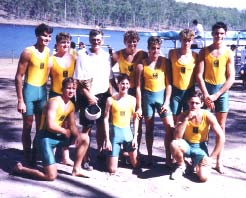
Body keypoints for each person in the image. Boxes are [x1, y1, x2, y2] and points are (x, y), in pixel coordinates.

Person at [13, 78, 90, 181]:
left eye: (73, 88)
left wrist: (78, 137)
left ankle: (76, 169)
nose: (71, 91)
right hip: (45, 138)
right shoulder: (54, 102)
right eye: (68, 88)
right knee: (51, 176)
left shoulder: (71, 105)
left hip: (57, 137)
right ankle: (21, 169)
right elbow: (50, 125)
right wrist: (64, 131)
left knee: (85, 137)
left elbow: (72, 126)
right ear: (62, 89)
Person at [196, 22, 235, 173]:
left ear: (225, 35)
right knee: (202, 124)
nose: (218, 36)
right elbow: (199, 76)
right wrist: (206, 95)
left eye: (221, 33)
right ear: (211, 34)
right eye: (216, 33)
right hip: (206, 91)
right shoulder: (204, 52)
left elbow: (231, 78)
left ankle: (219, 160)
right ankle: (200, 158)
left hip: (221, 91)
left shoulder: (228, 53)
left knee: (220, 127)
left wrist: (217, 94)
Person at [73, 29, 114, 166]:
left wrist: (113, 93)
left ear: (102, 40)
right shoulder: (82, 55)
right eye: (93, 40)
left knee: (102, 126)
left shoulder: (106, 55)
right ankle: (85, 157)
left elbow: (109, 77)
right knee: (87, 128)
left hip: (103, 95)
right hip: (87, 95)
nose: (96, 42)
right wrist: (89, 96)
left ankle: (100, 152)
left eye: (98, 40)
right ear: (89, 40)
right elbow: (78, 80)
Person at [15, 23, 53, 164]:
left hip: (42, 92)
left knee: (41, 125)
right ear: (38, 35)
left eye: (49, 36)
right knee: (28, 124)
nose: (47, 38)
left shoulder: (49, 52)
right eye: (44, 35)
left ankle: (36, 152)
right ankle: (26, 154)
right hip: (29, 92)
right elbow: (19, 76)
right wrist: (20, 100)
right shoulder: (28, 52)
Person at [170, 91, 225, 182]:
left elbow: (221, 137)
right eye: (192, 103)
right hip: (186, 145)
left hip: (200, 147)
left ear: (202, 104)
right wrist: (187, 119)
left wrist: (211, 158)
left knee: (203, 177)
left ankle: (194, 165)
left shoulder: (207, 115)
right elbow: (177, 137)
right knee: (174, 144)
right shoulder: (183, 115)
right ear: (188, 103)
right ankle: (181, 165)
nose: (194, 105)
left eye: (197, 103)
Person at [135, 36, 174, 166]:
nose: (155, 51)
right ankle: (150, 155)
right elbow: (138, 87)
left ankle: (168, 157)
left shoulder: (165, 62)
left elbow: (169, 84)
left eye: (158, 48)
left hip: (162, 98)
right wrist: (139, 106)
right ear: (148, 49)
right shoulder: (141, 65)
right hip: (148, 98)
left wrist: (167, 102)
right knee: (149, 129)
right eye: (153, 48)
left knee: (169, 127)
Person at [111, 30, 148, 154]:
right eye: (129, 42)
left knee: (137, 119)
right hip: (124, 91)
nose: (132, 44)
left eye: (134, 41)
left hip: (138, 90)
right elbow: (108, 72)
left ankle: (135, 149)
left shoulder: (142, 54)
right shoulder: (118, 54)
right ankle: (123, 149)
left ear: (137, 41)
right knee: (123, 120)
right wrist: (115, 88)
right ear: (124, 42)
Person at [48, 32, 76, 166]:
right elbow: (44, 80)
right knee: (53, 125)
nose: (65, 45)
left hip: (69, 96)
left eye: (67, 42)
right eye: (62, 42)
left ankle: (65, 156)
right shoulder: (51, 60)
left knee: (67, 126)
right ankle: (51, 153)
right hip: (55, 95)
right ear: (57, 44)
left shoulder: (74, 58)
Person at [104, 74, 139, 174]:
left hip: (127, 134)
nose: (124, 86)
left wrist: (135, 137)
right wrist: (107, 140)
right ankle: (111, 155)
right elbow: (105, 119)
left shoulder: (133, 100)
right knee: (112, 170)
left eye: (127, 84)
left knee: (135, 165)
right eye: (122, 83)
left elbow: (136, 119)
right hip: (115, 135)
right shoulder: (110, 100)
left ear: (129, 85)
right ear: (118, 85)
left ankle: (126, 154)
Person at [169, 29, 198, 124]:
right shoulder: (172, 53)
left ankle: (186, 139)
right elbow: (167, 72)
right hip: (175, 92)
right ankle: (174, 138)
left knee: (188, 120)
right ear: (180, 40)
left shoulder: (195, 56)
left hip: (189, 92)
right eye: (184, 40)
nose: (186, 43)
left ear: (192, 41)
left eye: (189, 40)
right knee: (174, 121)